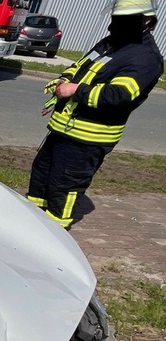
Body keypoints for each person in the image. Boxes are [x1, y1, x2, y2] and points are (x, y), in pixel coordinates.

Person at [27, 0, 163, 229]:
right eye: (116, 17)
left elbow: (118, 95)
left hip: (87, 138)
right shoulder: (111, 43)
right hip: (64, 129)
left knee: (63, 188)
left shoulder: (145, 57)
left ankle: (54, 235)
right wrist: (63, 81)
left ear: (146, 21)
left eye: (124, 18)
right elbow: (78, 67)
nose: (116, 23)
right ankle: (30, 222)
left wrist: (76, 90)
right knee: (41, 178)